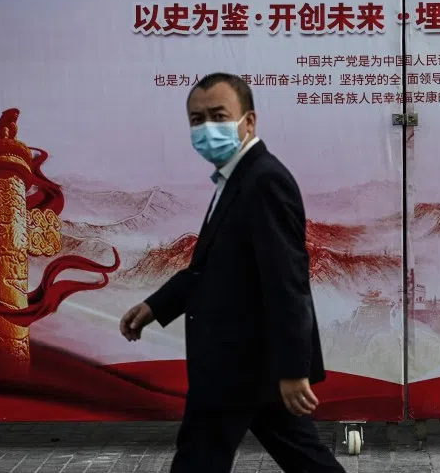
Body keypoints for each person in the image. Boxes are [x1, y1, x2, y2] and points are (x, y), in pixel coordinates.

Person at [119, 73, 345, 473]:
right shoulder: (235, 178)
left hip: (240, 363)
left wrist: (293, 371)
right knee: (302, 458)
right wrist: (155, 305)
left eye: (218, 116)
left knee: (199, 460)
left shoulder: (264, 180)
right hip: (244, 364)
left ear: (249, 122)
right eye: (196, 119)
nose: (207, 128)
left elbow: (287, 282)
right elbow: (211, 269)